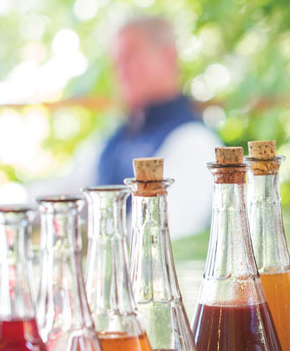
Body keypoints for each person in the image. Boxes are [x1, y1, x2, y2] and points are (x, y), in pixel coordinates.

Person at [16, 16, 221, 238]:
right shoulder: (117, 138)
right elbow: (68, 190)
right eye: (117, 61)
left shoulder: (194, 142)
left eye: (131, 56)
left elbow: (156, 236)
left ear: (167, 57)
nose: (121, 71)